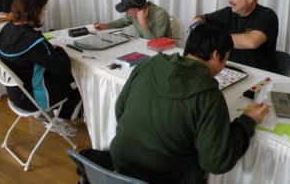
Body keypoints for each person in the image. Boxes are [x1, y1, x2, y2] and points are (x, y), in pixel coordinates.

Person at [110, 23, 269, 184]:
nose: (223, 67)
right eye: (225, 60)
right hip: (163, 178)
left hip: (118, 166)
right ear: (215, 55)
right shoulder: (208, 95)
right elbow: (216, 161)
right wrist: (247, 121)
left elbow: (120, 111)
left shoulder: (148, 65)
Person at [0, 0, 81, 136]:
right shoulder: (34, 42)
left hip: (16, 93)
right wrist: (59, 49)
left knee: (54, 73)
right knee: (78, 81)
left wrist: (48, 50)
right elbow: (64, 68)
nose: (44, 13)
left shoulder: (7, 29)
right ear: (35, 11)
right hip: (32, 99)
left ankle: (47, 114)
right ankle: (59, 120)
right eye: (44, 9)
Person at [191, 0, 278, 72]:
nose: (229, 0)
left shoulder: (267, 16)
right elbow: (202, 17)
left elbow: (251, 42)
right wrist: (197, 23)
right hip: (230, 70)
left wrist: (212, 36)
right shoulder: (227, 13)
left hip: (258, 74)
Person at [93, 0, 172, 40]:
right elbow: (123, 21)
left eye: (127, 10)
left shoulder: (160, 15)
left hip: (162, 53)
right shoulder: (133, 14)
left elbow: (155, 43)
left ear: (137, 10)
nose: (126, 12)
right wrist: (106, 25)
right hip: (143, 48)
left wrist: (142, 23)